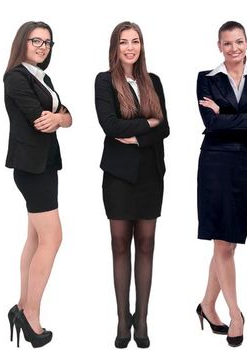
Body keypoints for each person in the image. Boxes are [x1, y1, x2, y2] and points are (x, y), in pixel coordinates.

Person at [194, 20, 247, 348]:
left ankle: (206, 305)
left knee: (230, 242)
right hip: (214, 162)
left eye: (239, 42)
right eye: (227, 44)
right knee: (223, 243)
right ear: (219, 46)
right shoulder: (206, 79)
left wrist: (230, 117)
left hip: (245, 164)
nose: (234, 48)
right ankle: (235, 313)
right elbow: (211, 124)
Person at [94, 21, 169, 349]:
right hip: (119, 177)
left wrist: (134, 133)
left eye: (135, 41)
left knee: (148, 244)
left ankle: (142, 320)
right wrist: (147, 124)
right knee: (120, 244)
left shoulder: (153, 81)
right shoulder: (104, 81)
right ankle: (123, 319)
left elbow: (165, 128)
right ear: (116, 47)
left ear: (141, 46)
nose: (130, 47)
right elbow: (110, 126)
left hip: (151, 175)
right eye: (123, 42)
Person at [3, 20, 72, 349]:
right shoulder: (16, 77)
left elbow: (65, 115)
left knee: (35, 236)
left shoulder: (42, 77)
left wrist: (61, 117)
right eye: (36, 41)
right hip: (31, 167)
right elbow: (41, 119)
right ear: (23, 43)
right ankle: (31, 315)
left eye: (48, 42)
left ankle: (20, 305)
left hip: (45, 165)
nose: (43, 47)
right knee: (53, 237)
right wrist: (59, 117)